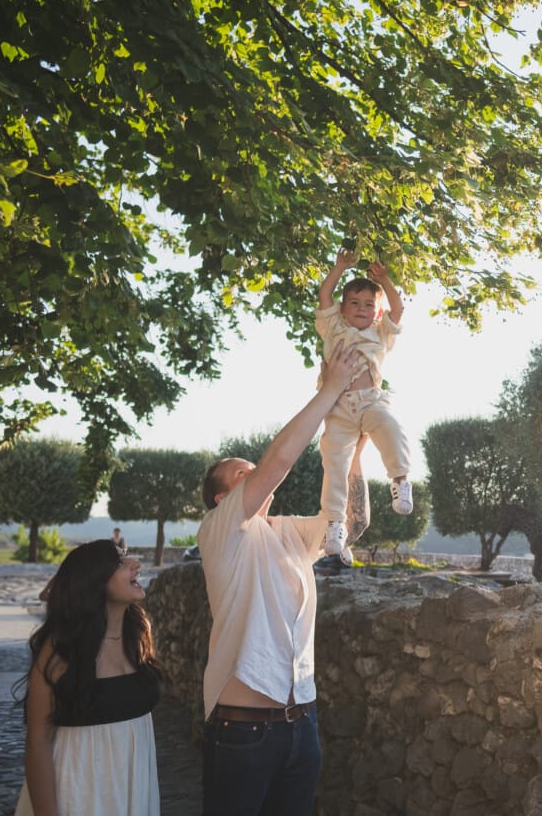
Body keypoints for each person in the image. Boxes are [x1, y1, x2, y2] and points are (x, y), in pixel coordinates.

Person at [196, 341, 370, 816]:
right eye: (240, 473)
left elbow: (351, 523)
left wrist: (353, 447)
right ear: (222, 499)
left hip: (302, 727)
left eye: (250, 467)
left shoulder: (287, 532)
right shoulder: (219, 530)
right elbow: (278, 462)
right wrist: (331, 388)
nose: (253, 471)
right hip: (243, 731)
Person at [13, 540, 162, 816]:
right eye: (120, 562)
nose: (136, 564)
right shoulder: (62, 650)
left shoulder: (137, 638)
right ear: (94, 580)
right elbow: (38, 741)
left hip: (134, 793)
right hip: (76, 795)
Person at [315, 249, 413, 566]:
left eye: (369, 304)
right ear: (343, 309)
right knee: (335, 462)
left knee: (391, 427)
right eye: (354, 303)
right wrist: (339, 268)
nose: (361, 308)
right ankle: (334, 523)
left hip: (370, 400)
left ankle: (400, 480)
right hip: (339, 407)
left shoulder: (380, 332)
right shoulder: (334, 328)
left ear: (377, 311)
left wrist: (383, 279)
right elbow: (325, 295)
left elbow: (398, 308)